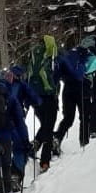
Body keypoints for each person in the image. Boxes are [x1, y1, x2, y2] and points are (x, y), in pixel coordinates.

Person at [55, 37, 96, 148]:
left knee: (68, 118)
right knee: (85, 116)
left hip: (68, 88)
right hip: (82, 89)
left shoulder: (71, 54)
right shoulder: (93, 58)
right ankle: (84, 143)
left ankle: (57, 138)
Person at [26, 35, 60, 171]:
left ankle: (35, 143)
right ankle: (45, 161)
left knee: (45, 125)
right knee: (49, 127)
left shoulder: (34, 56)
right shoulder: (51, 58)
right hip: (49, 97)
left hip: (35, 98)